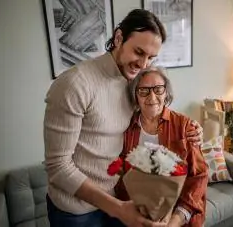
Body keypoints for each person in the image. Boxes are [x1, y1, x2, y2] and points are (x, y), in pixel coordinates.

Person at [43, 9, 203, 227]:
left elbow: (153, 113)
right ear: (118, 38)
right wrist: (117, 208)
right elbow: (57, 166)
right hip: (75, 212)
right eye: (139, 52)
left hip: (114, 199)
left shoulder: (132, 82)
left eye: (150, 57)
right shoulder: (74, 84)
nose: (143, 64)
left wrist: (193, 129)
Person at [115, 66, 208, 227]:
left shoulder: (184, 125)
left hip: (179, 211)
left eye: (158, 89)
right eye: (144, 90)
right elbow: (121, 173)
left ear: (166, 93)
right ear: (136, 95)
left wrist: (175, 220)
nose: (152, 97)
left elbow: (199, 176)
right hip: (137, 212)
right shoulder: (126, 127)